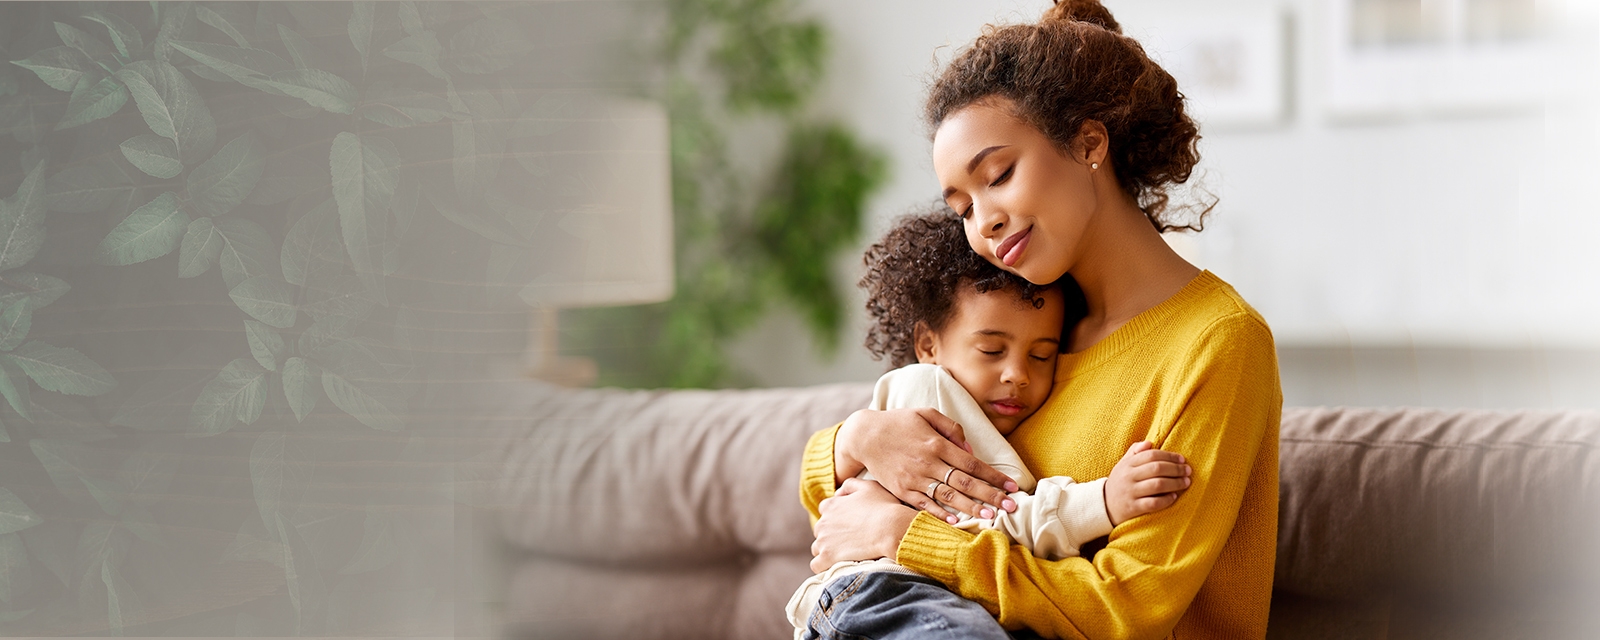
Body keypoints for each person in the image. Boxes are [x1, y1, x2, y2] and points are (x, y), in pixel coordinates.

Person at [799, 1, 1283, 638]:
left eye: (998, 175)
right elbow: (838, 525)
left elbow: (1129, 608)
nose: (985, 223)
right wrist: (853, 441)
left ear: (1088, 143)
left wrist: (906, 539)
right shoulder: (1036, 324)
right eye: (963, 207)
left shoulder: (1217, 342)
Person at [786, 211, 1192, 637]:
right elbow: (992, 518)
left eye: (1041, 356)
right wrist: (1105, 501)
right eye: (992, 350)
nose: (1017, 374)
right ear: (928, 345)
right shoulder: (927, 392)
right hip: (886, 591)